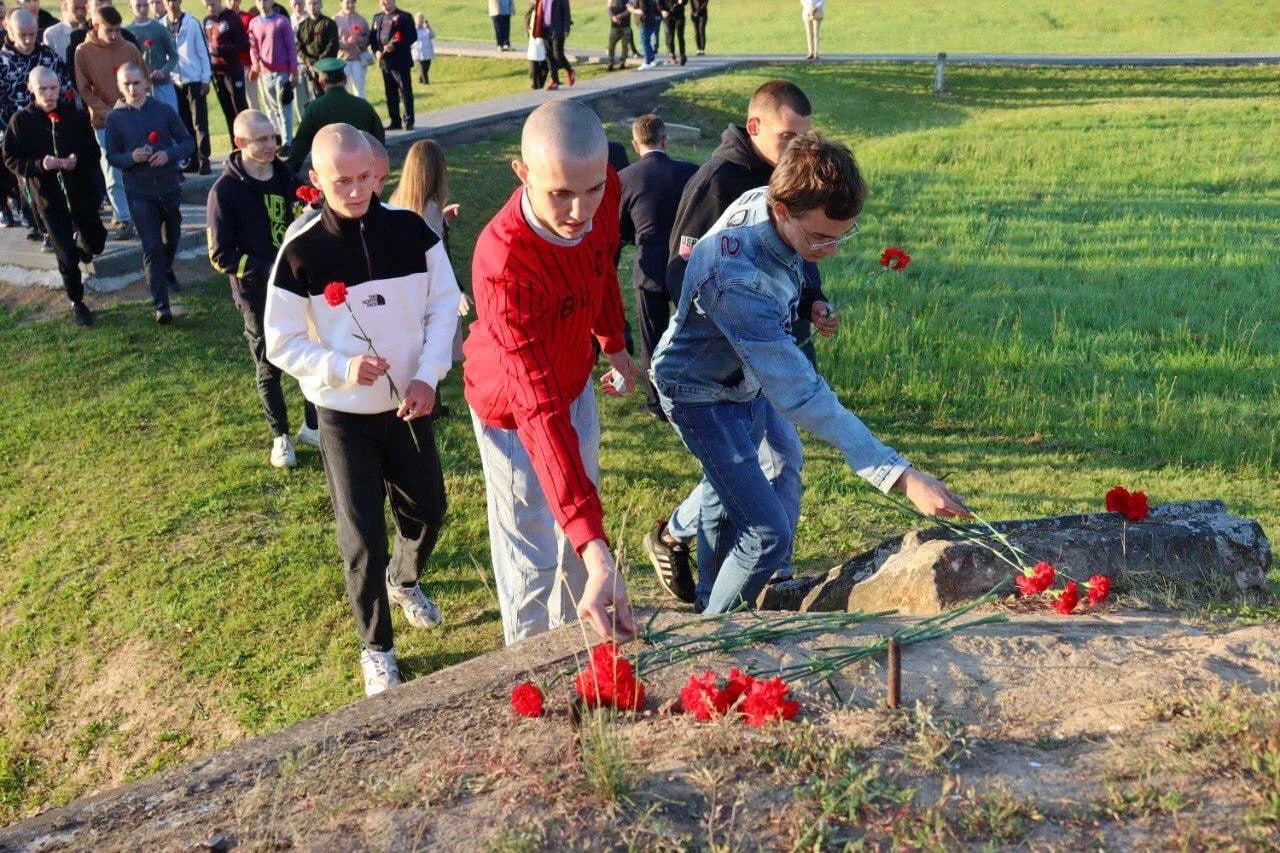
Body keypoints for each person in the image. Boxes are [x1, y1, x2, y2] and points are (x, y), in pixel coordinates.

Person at [652, 132, 968, 613]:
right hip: (699, 394)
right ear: (782, 209)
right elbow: (801, 395)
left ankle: (708, 599)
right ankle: (713, 633)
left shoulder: (769, 205)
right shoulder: (735, 278)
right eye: (821, 237)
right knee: (766, 532)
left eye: (844, 234)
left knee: (749, 477)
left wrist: (807, 300)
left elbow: (786, 278)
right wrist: (901, 476)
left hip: (745, 377)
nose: (833, 249)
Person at [265, 123, 461, 696]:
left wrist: (428, 376)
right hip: (344, 414)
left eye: (364, 179)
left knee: (429, 509)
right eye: (341, 181)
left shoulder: (411, 232)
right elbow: (279, 342)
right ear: (316, 179)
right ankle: (376, 647)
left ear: (378, 173)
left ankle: (406, 579)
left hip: (411, 402)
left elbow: (444, 304)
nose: (355, 192)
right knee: (362, 534)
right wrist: (339, 367)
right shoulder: (300, 250)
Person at [645, 79, 830, 602]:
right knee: (747, 470)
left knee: (776, 460)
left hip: (771, 355)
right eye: (787, 138)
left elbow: (798, 253)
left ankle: (772, 571)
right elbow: (679, 278)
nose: (798, 151)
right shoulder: (718, 183)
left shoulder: (791, 180)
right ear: (754, 127)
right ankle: (714, 586)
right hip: (720, 368)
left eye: (805, 139)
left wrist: (813, 301)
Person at [463, 100, 640, 646]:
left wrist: (614, 345)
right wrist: (595, 539)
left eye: (591, 191)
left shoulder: (602, 189)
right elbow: (535, 409)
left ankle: (574, 638)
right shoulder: (506, 265)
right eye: (560, 194)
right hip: (512, 411)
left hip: (573, 377)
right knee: (533, 548)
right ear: (523, 172)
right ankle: (528, 659)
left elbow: (601, 267)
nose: (580, 211)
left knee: (578, 530)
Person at [207, 109, 319, 466]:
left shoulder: (287, 176)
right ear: (240, 143)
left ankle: (313, 425)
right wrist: (268, 270)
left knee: (308, 353)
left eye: (273, 137)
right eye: (262, 140)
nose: (272, 145)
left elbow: (308, 210)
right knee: (268, 364)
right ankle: (280, 437)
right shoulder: (224, 191)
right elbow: (220, 255)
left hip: (298, 287)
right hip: (256, 295)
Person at [4, 65, 105, 325]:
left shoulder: (75, 116)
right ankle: (77, 300)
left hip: (80, 193)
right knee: (66, 255)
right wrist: (41, 165)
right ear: (31, 89)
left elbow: (93, 152)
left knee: (96, 242)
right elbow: (11, 159)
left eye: (53, 88)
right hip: (48, 199)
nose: (49, 94)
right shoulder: (21, 122)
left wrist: (76, 160)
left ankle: (84, 246)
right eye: (43, 89)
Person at [617, 114, 695, 421]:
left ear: (636, 144)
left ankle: (657, 403)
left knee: (653, 335)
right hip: (686, 264)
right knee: (691, 332)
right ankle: (693, 390)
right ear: (665, 140)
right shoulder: (690, 172)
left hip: (647, 266)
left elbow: (620, 227)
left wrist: (638, 238)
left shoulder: (626, 178)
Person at [104, 62, 192, 322]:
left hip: (168, 186)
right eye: (126, 84)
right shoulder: (115, 118)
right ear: (119, 87)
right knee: (151, 245)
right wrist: (131, 157)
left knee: (172, 236)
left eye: (136, 82)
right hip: (139, 192)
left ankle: (166, 269)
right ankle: (161, 305)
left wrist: (168, 154)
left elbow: (187, 143)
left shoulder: (163, 110)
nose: (132, 88)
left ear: (146, 82)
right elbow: (113, 156)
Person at [388, 136, 466, 417]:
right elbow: (438, 256)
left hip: (407, 285)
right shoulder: (430, 208)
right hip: (429, 286)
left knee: (417, 342)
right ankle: (433, 405)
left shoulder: (397, 202)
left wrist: (443, 220)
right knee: (436, 339)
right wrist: (456, 291)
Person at [74, 4, 145, 240]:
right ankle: (124, 218)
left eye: (118, 30)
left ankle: (143, 211)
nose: (115, 35)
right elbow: (84, 90)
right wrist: (106, 111)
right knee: (113, 169)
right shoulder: (83, 52)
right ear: (96, 26)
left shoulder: (129, 48)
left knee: (138, 165)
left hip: (134, 117)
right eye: (109, 31)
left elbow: (144, 78)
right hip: (105, 121)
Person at [285, 55, 380, 171]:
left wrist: (288, 172)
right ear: (345, 79)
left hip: (331, 171)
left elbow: (300, 145)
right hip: (361, 168)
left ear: (321, 82)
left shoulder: (314, 109)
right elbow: (378, 141)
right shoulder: (363, 106)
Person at [163, 0, 211, 174]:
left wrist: (206, 79)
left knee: (200, 122)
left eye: (175, 0)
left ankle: (204, 159)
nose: (171, 3)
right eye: (167, 0)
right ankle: (192, 158)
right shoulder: (161, 25)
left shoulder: (192, 23)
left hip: (194, 79)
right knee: (183, 123)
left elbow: (203, 52)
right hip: (174, 81)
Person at [248, 0, 295, 147]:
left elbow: (291, 48)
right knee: (273, 109)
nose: (262, 3)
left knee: (284, 106)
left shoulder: (282, 21)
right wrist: (255, 64)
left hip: (283, 71)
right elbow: (253, 47)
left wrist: (294, 71)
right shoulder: (254, 23)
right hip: (264, 72)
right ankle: (278, 139)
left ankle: (288, 143)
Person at [203, 0, 250, 138]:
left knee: (239, 109)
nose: (210, 7)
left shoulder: (232, 17)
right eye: (207, 4)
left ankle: (249, 145)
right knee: (227, 111)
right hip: (217, 73)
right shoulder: (207, 20)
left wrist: (220, 50)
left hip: (233, 71)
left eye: (212, 4)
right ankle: (235, 149)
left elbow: (244, 45)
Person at [127, 0, 179, 113]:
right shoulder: (127, 32)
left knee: (170, 120)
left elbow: (174, 56)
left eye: (145, 5)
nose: (142, 9)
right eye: (138, 5)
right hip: (140, 89)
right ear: (130, 6)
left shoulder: (159, 28)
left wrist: (163, 71)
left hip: (163, 86)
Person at [369, 0, 413, 130]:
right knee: (390, 92)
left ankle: (409, 119)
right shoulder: (377, 18)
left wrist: (396, 46)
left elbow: (411, 37)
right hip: (385, 63)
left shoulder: (404, 17)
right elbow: (373, 38)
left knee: (405, 91)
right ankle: (395, 121)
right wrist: (376, 51)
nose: (384, 2)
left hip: (400, 62)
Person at [66, 0, 140, 72]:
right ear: (88, 8)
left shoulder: (127, 37)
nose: (103, 14)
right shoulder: (78, 37)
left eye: (107, 9)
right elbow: (73, 72)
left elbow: (139, 69)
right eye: (98, 8)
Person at [295, 0, 335, 112]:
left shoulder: (329, 24)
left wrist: (318, 63)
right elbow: (299, 47)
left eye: (315, 3)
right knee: (313, 100)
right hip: (309, 69)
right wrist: (307, 60)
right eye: (310, 4)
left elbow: (332, 46)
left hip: (327, 70)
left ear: (321, 4)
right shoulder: (302, 26)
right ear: (306, 6)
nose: (312, 6)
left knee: (328, 100)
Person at [532, 0, 572, 89]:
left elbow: (566, 12)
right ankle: (554, 81)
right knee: (549, 55)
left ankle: (569, 70)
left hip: (558, 29)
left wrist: (567, 28)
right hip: (544, 29)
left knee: (558, 54)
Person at [331, 0, 365, 97]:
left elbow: (367, 38)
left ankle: (360, 111)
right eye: (347, 2)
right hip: (341, 61)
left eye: (352, 2)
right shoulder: (335, 19)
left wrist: (359, 39)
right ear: (341, 3)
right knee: (342, 90)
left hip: (357, 60)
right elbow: (330, 40)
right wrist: (341, 45)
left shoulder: (361, 19)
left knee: (360, 90)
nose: (350, 5)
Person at [229, 0, 257, 109]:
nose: (231, 2)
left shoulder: (248, 18)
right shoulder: (222, 19)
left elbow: (253, 44)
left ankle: (257, 125)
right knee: (236, 101)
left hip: (246, 66)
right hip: (231, 67)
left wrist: (253, 65)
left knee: (251, 100)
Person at [629, 0, 658, 70]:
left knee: (644, 42)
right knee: (646, 41)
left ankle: (647, 62)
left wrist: (632, 10)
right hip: (650, 21)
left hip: (645, 23)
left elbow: (642, 11)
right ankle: (651, 59)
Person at [604, 0, 632, 71]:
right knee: (611, 45)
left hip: (626, 26)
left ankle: (623, 62)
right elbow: (609, 8)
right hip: (614, 26)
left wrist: (619, 16)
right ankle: (610, 63)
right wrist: (613, 17)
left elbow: (630, 10)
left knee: (624, 45)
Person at [524, 4, 544, 90]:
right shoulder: (533, 9)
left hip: (542, 38)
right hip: (535, 38)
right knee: (535, 61)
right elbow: (527, 19)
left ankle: (538, 85)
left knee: (544, 64)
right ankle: (536, 85)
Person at [659, 0, 684, 65]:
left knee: (680, 35)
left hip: (679, 15)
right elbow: (658, 2)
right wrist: (662, 11)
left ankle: (682, 55)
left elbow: (685, 2)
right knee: (670, 36)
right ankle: (672, 56)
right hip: (668, 15)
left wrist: (683, 1)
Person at [408, 12, 429, 85]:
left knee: (426, 68)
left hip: (427, 53)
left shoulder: (426, 29)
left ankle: (420, 80)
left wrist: (428, 28)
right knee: (422, 68)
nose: (420, 21)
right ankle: (426, 83)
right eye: (419, 20)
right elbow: (410, 40)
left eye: (421, 19)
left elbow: (433, 35)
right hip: (418, 52)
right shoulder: (414, 29)